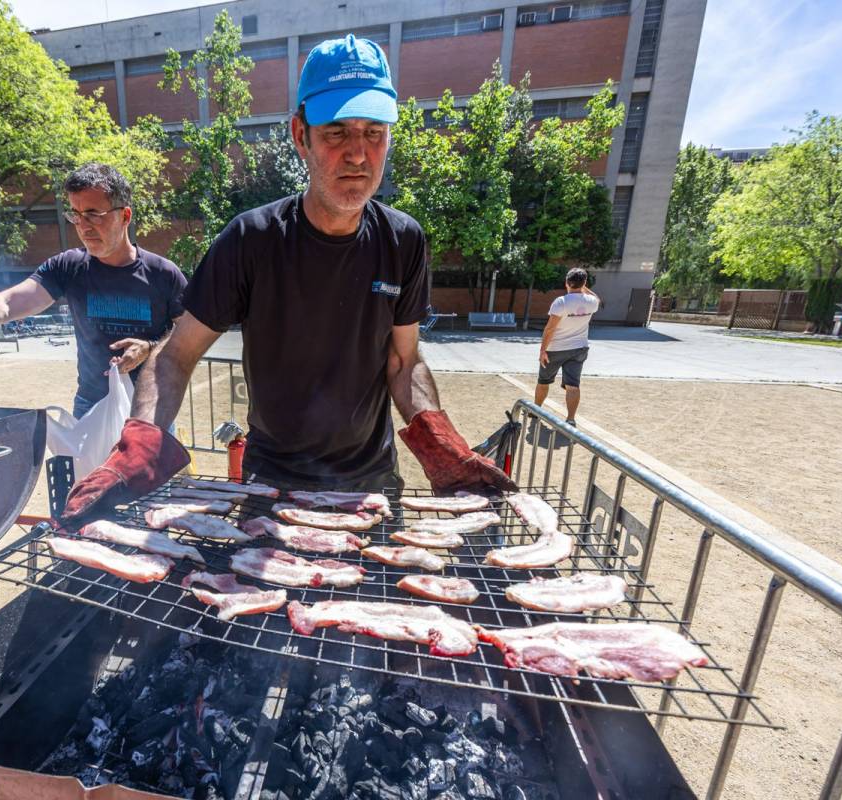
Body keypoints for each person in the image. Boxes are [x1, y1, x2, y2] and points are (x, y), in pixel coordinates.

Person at [61, 34, 515, 526]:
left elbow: (404, 361)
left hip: (371, 482)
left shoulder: (403, 240)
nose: (359, 154)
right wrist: (142, 443)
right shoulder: (251, 239)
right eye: (337, 132)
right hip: (272, 480)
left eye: (374, 132)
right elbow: (175, 354)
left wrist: (437, 440)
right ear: (301, 135)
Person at [0, 163, 187, 418]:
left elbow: (189, 337)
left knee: (153, 475)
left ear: (125, 215)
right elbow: (7, 303)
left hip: (150, 405)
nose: (83, 226)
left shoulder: (163, 273)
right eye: (75, 215)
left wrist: (149, 347)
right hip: (91, 405)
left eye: (93, 214)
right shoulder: (68, 266)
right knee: (92, 473)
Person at [535, 267, 601, 425]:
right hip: (579, 348)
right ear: (584, 283)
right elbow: (596, 297)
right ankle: (571, 419)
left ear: (566, 282)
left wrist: (543, 350)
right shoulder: (592, 302)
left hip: (555, 349)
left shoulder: (561, 302)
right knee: (573, 385)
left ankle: (536, 411)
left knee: (543, 381)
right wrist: (583, 286)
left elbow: (550, 328)